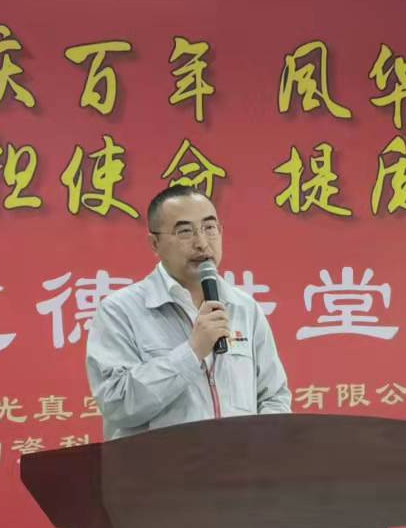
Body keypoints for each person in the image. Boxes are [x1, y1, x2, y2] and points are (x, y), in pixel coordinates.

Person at [86, 185, 291, 439]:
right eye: (185, 231)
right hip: (155, 465)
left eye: (209, 228)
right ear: (155, 243)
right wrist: (192, 352)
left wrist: (260, 448)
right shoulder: (120, 310)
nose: (202, 243)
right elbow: (117, 402)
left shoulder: (244, 307)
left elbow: (274, 396)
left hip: (238, 463)